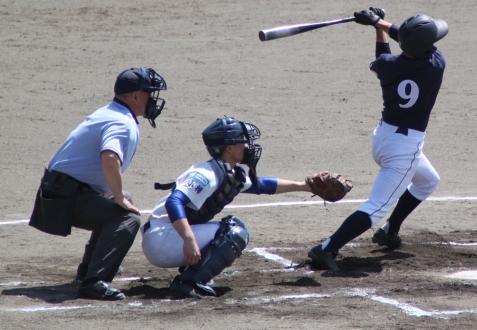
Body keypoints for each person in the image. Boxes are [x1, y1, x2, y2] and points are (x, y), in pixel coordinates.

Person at [307, 8, 448, 271]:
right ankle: (326, 249)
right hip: (404, 150)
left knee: (428, 180)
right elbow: (405, 39)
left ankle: (389, 231)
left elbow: (384, 54)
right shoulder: (435, 65)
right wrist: (380, 23)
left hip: (383, 138)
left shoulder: (387, 67)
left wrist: (377, 26)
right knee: (377, 207)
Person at [29, 67, 167, 300]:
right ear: (135, 96)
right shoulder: (122, 122)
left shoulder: (110, 112)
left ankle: (88, 269)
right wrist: (118, 196)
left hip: (59, 189)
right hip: (63, 197)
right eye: (149, 94)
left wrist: (115, 195)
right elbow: (110, 157)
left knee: (122, 200)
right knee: (127, 218)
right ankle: (94, 282)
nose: (152, 100)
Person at [141, 116, 313, 299]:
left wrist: (304, 186)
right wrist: (189, 240)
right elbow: (173, 202)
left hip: (167, 236)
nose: (248, 145)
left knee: (235, 226)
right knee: (234, 232)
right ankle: (187, 282)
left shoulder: (227, 172)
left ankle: (194, 272)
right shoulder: (206, 174)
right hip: (161, 238)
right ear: (229, 148)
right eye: (243, 140)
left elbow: (262, 185)